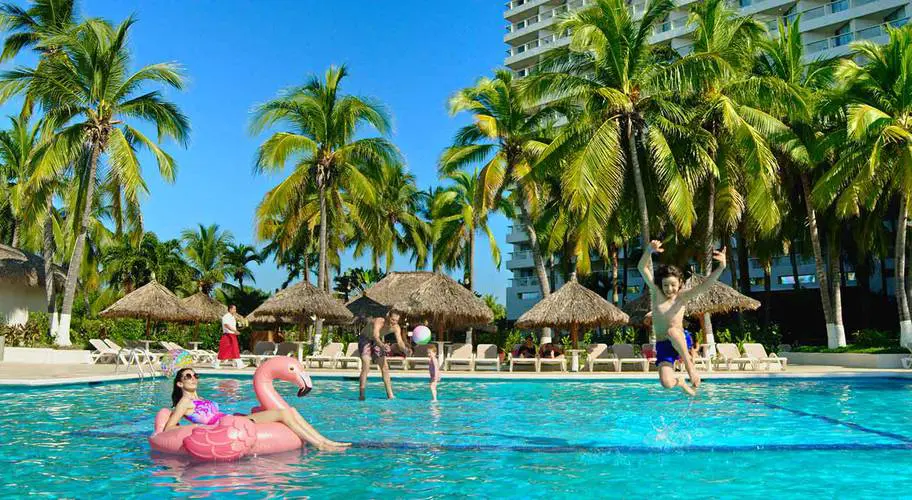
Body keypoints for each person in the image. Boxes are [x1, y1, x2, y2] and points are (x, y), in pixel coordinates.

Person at [164, 367, 350, 452]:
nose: (193, 378)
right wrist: (199, 430)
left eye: (195, 375)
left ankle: (324, 440)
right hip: (223, 427)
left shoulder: (202, 398)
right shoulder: (184, 402)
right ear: (180, 383)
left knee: (290, 410)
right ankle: (321, 444)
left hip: (233, 419)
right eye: (188, 376)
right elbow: (169, 428)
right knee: (283, 413)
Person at [638, 240, 726, 396]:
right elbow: (641, 267)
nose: (669, 289)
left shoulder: (683, 297)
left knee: (672, 331)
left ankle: (690, 368)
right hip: (663, 344)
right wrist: (649, 251)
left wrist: (721, 267)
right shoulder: (657, 294)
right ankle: (680, 382)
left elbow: (705, 285)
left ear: (680, 284)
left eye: (673, 285)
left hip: (680, 340)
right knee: (666, 383)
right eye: (665, 285)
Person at [358, 310, 411, 400]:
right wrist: (382, 345)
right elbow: (375, 335)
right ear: (388, 317)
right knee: (366, 366)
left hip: (377, 342)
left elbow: (400, 342)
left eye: (396, 321)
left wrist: (405, 350)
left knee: (385, 367)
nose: (394, 322)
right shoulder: (379, 321)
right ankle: (362, 395)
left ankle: (390, 395)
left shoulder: (396, 327)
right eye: (392, 319)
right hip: (365, 339)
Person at [215, 305, 243, 369]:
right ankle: (216, 363)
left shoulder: (232, 317)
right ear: (230, 309)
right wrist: (235, 331)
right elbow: (226, 325)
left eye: (235, 309)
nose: (235, 310)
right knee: (224, 349)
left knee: (235, 349)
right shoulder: (226, 316)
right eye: (234, 309)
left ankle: (240, 364)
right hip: (227, 335)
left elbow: (232, 325)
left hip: (232, 335)